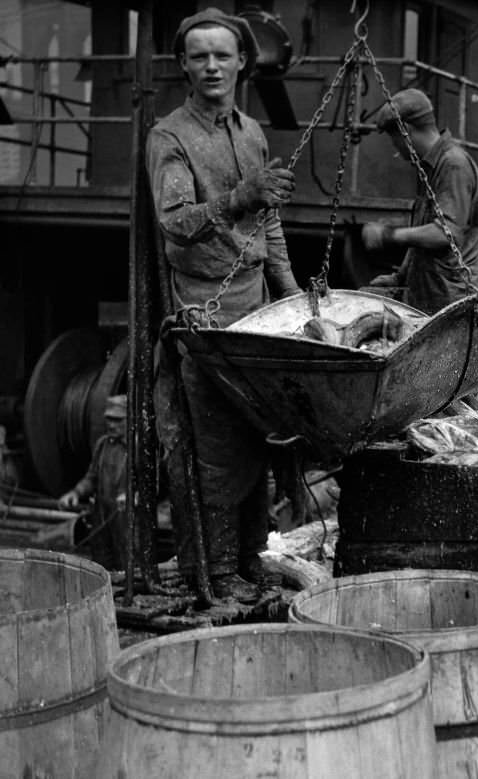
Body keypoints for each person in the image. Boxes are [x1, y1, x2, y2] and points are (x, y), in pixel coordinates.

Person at [148, 8, 302, 603]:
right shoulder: (169, 137)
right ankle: (210, 572)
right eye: (198, 56)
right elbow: (176, 223)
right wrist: (240, 196)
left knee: (255, 437)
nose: (211, 65)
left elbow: (270, 222)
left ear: (242, 61)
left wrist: (291, 293)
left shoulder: (252, 133)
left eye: (222, 55)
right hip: (205, 317)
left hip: (257, 310)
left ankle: (246, 559)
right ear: (184, 65)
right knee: (212, 447)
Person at [363, 88, 478, 315]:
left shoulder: (452, 165)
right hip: (430, 295)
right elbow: (423, 233)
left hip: (452, 302)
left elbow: (445, 234)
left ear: (406, 131)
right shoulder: (429, 167)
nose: (396, 149)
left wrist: (388, 235)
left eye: (394, 140)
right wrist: (400, 277)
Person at [59, 395, 129, 570]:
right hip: (102, 516)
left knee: (128, 565)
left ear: (130, 419)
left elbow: (154, 487)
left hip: (127, 520)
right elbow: (91, 478)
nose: (111, 425)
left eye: (117, 420)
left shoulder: (139, 448)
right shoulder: (102, 445)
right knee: (100, 565)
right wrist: (75, 493)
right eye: (109, 419)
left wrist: (133, 495)